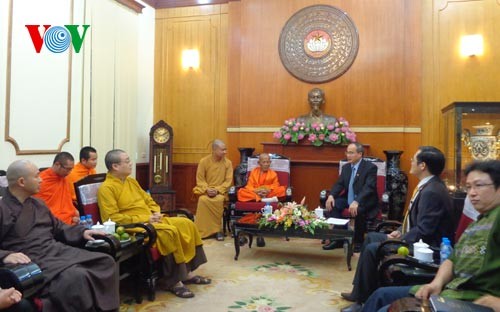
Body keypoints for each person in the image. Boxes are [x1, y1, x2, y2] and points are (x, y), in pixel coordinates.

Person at [360, 159, 500, 312]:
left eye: (479, 185)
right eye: (468, 187)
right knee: (380, 295)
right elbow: (452, 259)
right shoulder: (478, 222)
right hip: (451, 292)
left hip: (474, 300)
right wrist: (436, 283)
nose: (472, 193)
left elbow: (424, 229)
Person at [340, 146, 454, 312]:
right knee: (372, 237)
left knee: (373, 248)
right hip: (415, 237)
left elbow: (424, 230)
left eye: (414, 159)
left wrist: (400, 238)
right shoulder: (428, 186)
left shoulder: (432, 192)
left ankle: (362, 301)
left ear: (423, 166)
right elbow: (414, 219)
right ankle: (360, 293)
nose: (411, 161)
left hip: (427, 248)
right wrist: (400, 230)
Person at [0, 160, 119, 312]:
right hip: (31, 258)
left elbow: (58, 227)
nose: (41, 179)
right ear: (22, 182)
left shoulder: (38, 204)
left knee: (106, 261)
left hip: (54, 250)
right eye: (37, 176)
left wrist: (82, 232)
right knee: (76, 276)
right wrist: (5, 255)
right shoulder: (2, 208)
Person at [97, 149, 210, 299]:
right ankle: (173, 281)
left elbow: (148, 199)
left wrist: (155, 211)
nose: (131, 164)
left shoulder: (131, 181)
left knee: (186, 223)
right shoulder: (106, 188)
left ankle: (187, 273)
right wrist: (145, 218)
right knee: (169, 233)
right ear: (115, 166)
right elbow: (112, 217)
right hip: (135, 226)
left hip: (150, 219)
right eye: (127, 161)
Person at [323, 142, 378, 250]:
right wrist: (331, 196)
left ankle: (358, 241)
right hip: (348, 198)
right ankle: (339, 239)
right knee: (334, 205)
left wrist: (357, 201)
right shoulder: (346, 168)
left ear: (360, 154)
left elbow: (369, 187)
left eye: (351, 153)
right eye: (347, 152)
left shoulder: (370, 168)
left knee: (358, 210)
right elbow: (339, 184)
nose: (348, 155)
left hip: (365, 200)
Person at [192, 139, 233, 241]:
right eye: (222, 150)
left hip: (221, 192)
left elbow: (228, 181)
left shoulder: (228, 163)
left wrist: (217, 190)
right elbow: (200, 179)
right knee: (202, 200)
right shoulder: (204, 161)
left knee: (218, 200)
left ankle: (217, 231)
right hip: (206, 191)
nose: (225, 152)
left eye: (225, 149)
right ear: (214, 150)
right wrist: (207, 189)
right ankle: (201, 232)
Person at [34, 152, 79, 225]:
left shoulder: (64, 179)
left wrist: (74, 213)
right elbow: (40, 210)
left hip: (69, 221)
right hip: (53, 223)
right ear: (57, 164)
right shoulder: (41, 181)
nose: (69, 173)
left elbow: (67, 202)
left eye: (71, 169)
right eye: (67, 169)